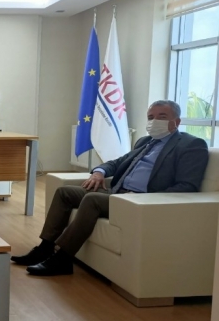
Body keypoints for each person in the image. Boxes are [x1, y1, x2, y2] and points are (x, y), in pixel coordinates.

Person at [11, 100, 209, 276]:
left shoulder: (191, 145)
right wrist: (99, 172)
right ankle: (44, 248)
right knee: (65, 192)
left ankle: (62, 259)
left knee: (92, 199)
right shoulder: (145, 141)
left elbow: (187, 186)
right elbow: (116, 163)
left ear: (177, 121)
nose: (154, 121)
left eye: (162, 117)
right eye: (151, 117)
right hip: (117, 193)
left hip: (141, 201)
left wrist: (142, 198)